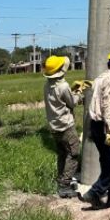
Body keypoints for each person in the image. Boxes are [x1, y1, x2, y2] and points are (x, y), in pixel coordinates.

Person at [79, 49, 110, 209]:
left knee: (107, 161)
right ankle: (96, 192)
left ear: (109, 64)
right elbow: (108, 104)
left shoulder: (100, 77)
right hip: (105, 125)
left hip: (96, 124)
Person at [43, 55, 90, 198]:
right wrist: (80, 92)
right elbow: (72, 102)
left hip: (54, 127)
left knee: (62, 153)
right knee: (74, 153)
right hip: (65, 126)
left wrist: (73, 90)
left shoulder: (47, 85)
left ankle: (61, 179)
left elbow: (61, 99)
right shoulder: (63, 86)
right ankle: (64, 185)